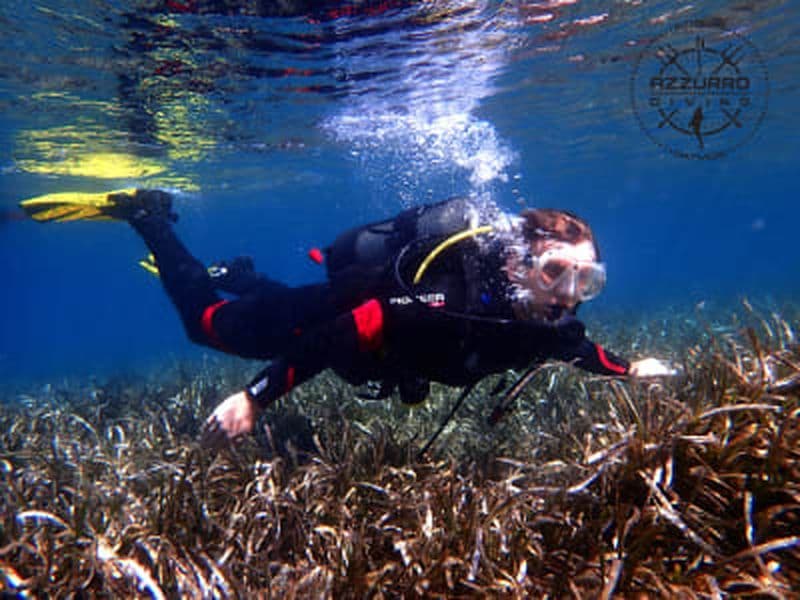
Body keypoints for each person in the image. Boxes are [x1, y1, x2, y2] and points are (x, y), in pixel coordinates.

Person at [20, 188, 674, 445]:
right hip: (332, 317)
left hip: (362, 335)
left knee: (247, 300)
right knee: (209, 325)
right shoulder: (447, 299)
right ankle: (148, 216)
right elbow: (346, 330)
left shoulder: (549, 323)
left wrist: (629, 368)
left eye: (587, 279)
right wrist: (255, 399)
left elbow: (581, 351)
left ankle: (245, 273)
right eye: (557, 270)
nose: (568, 292)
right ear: (513, 263)